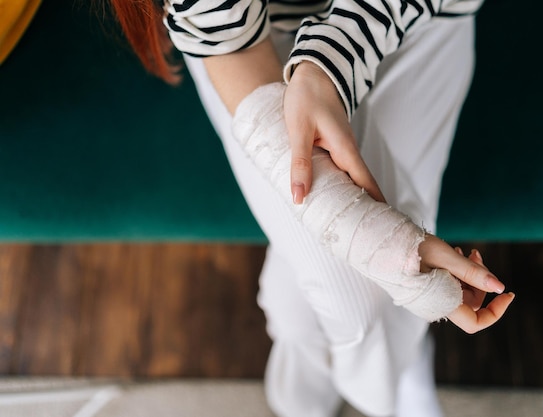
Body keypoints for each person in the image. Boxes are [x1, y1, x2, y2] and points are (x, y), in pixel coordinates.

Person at [104, 0, 515, 416]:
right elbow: (228, 40)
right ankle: (400, 365)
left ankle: (314, 385)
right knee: (361, 298)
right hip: (251, 44)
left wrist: (326, 67)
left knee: (355, 286)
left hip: (419, 20)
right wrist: (382, 246)